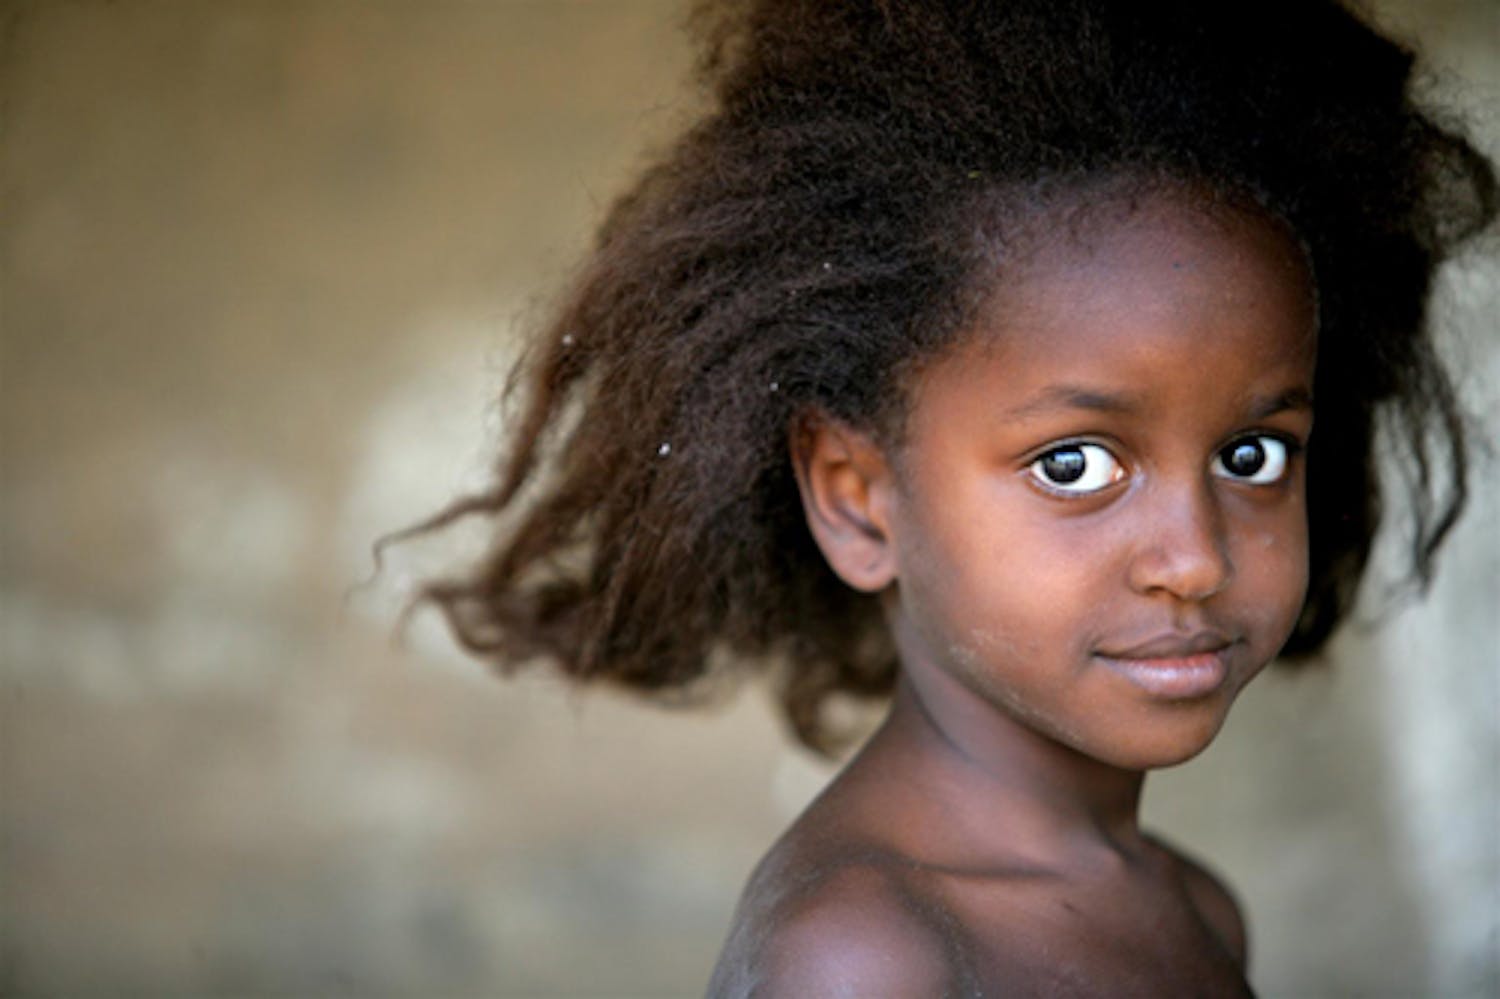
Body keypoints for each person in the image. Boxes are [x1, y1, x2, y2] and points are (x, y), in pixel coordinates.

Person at [410, 0, 1496, 992]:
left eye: (1254, 455)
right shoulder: (868, 961)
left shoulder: (1193, 907)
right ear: (857, 497)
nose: (1197, 556)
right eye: (1074, 465)